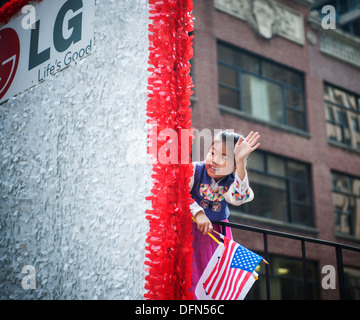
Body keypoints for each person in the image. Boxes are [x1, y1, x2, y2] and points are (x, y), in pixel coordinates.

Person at [189, 130, 260, 299]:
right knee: (189, 275)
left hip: (215, 236)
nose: (214, 160)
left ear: (235, 167)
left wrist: (241, 160)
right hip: (190, 232)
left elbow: (239, 198)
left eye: (223, 157)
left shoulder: (231, 182)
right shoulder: (194, 170)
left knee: (211, 279)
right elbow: (179, 194)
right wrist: (198, 213)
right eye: (212, 152)